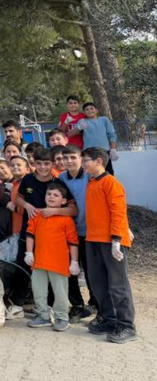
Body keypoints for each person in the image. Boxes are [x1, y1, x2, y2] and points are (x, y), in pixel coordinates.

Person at [11, 148, 77, 318]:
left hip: (52, 238)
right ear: (33, 164)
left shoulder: (59, 183)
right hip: (30, 232)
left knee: (53, 271)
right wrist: (27, 206)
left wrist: (53, 211)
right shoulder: (27, 179)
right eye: (38, 163)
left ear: (52, 164)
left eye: (46, 163)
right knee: (22, 266)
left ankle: (55, 308)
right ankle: (17, 304)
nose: (42, 167)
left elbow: (73, 209)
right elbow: (18, 198)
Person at [82, 147, 136, 343]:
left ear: (98, 161)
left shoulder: (111, 182)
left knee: (118, 285)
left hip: (112, 241)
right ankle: (110, 319)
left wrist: (117, 239)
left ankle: (127, 326)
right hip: (93, 240)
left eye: (85, 160)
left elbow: (119, 211)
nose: (83, 163)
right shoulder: (92, 183)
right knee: (98, 283)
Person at [25, 182, 80, 332]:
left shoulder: (66, 220)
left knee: (61, 292)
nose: (51, 197)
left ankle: (62, 318)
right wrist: (28, 252)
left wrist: (74, 262)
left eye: (56, 195)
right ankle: (43, 316)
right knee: (38, 290)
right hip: (39, 262)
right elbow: (30, 234)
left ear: (63, 201)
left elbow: (73, 242)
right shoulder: (37, 216)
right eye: (49, 194)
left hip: (59, 263)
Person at [58, 145, 98, 320]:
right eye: (66, 158)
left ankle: (96, 303)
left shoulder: (90, 176)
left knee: (91, 270)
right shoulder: (60, 178)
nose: (69, 161)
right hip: (69, 233)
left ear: (81, 158)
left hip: (90, 232)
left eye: (73, 157)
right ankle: (76, 304)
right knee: (69, 270)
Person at [72, 102, 119, 175]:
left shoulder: (104, 120)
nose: (90, 110)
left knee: (108, 173)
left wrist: (113, 149)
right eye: (87, 109)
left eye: (91, 108)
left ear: (96, 110)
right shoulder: (83, 121)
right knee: (91, 174)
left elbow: (112, 135)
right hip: (89, 153)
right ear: (84, 112)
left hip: (104, 151)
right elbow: (71, 134)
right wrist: (78, 127)